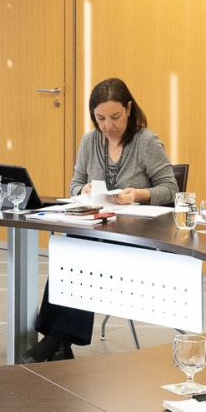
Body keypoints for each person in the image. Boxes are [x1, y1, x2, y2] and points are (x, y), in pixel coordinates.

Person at [28, 79, 177, 361]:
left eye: (115, 117)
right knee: (71, 247)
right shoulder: (89, 141)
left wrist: (139, 194)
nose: (108, 125)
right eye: (100, 119)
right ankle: (60, 344)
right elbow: (74, 185)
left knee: (82, 252)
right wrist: (81, 190)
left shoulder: (146, 142)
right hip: (97, 229)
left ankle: (55, 339)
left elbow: (170, 188)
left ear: (129, 109)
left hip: (135, 236)